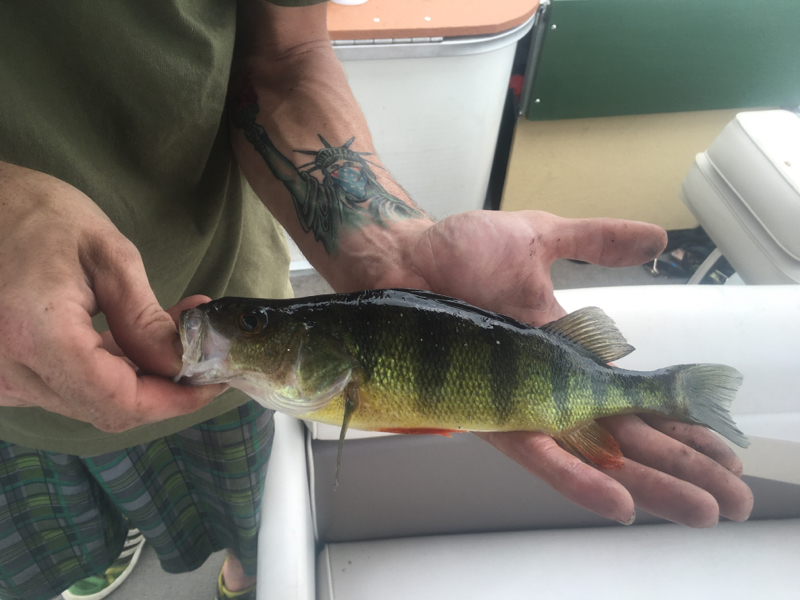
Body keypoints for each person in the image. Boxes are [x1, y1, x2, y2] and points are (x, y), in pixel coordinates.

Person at [0, 1, 754, 599]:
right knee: (61, 523)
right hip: (16, 411)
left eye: (256, 323)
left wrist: (386, 242)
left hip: (218, 366)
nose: (244, 325)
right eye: (255, 323)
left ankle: (245, 564)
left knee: (246, 504)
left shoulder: (258, 374)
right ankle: (114, 550)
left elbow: (285, 54)